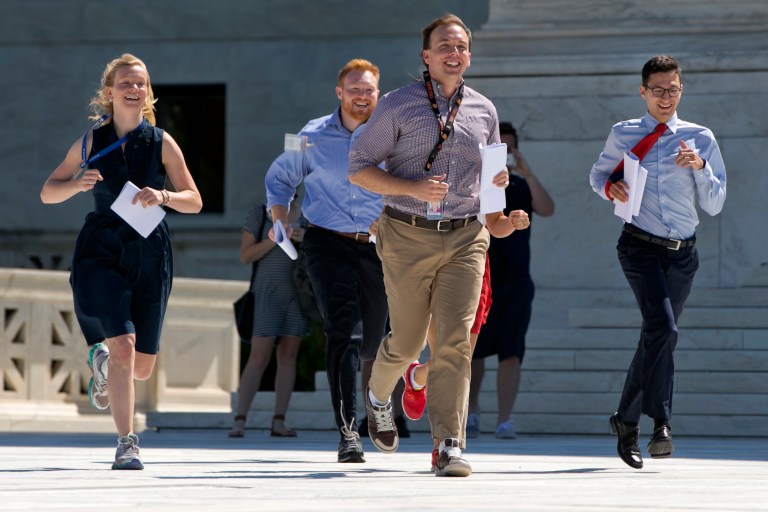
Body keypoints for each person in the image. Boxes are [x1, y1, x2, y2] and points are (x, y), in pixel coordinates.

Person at [349, 13, 529, 477]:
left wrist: (502, 212)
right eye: (444, 46)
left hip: (468, 235)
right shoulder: (396, 105)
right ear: (426, 57)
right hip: (406, 232)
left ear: (470, 55)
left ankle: (449, 444)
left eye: (462, 47)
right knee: (408, 340)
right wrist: (410, 188)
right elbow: (359, 167)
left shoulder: (484, 111)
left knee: (455, 343)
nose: (454, 53)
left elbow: (491, 187)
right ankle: (377, 394)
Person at [40, 54, 203, 470]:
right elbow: (48, 191)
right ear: (109, 92)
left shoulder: (162, 142)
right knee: (125, 348)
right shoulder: (91, 141)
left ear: (148, 92)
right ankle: (127, 442)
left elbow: (195, 200)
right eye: (126, 83)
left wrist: (164, 196)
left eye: (141, 83)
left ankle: (104, 364)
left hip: (150, 250)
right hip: (102, 248)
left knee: (142, 369)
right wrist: (76, 185)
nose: (134, 89)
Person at [589, 55, 726, 469]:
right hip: (638, 247)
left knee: (657, 335)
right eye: (659, 90)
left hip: (683, 254)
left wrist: (701, 168)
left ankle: (625, 419)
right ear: (643, 92)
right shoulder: (625, 133)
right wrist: (610, 190)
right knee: (663, 328)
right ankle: (661, 423)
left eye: (674, 89)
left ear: (681, 89)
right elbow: (598, 177)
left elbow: (716, 203)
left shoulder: (700, 137)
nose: (667, 97)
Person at [265, 59, 389, 464]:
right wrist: (279, 216)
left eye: (368, 90)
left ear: (377, 93)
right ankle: (349, 432)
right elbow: (281, 177)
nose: (361, 96)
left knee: (373, 339)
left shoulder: (393, 133)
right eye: (354, 89)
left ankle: (378, 396)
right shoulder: (308, 134)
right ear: (339, 92)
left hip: (379, 246)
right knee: (344, 333)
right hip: (326, 242)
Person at [467, 121, 555, 439]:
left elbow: (547, 208)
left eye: (510, 148)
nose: (504, 155)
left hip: (517, 282)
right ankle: (472, 410)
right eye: (498, 148)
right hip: (480, 275)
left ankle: (505, 418)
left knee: (512, 350)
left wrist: (527, 173)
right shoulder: (476, 187)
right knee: (475, 349)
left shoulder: (519, 186)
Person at [228, 196, 309, 438]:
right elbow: (245, 255)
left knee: (288, 354)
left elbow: (321, 249)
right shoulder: (261, 213)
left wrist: (304, 238)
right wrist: (276, 239)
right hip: (266, 292)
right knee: (259, 355)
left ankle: (279, 421)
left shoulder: (307, 214)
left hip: (298, 292)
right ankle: (239, 421)